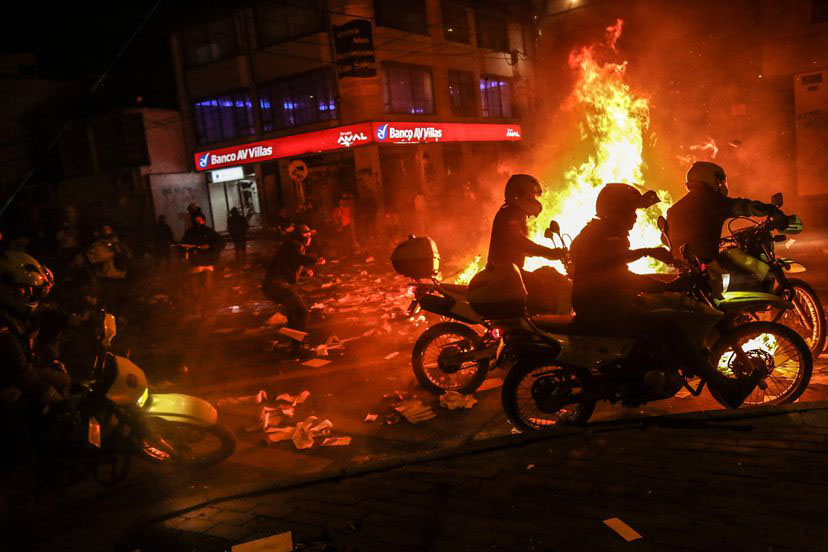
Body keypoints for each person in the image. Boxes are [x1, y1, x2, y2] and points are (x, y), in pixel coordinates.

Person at [569, 183, 763, 408]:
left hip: (604, 302)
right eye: (630, 211)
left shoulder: (601, 231)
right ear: (617, 211)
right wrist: (667, 285)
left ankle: (638, 382)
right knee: (667, 328)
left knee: (657, 314)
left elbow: (615, 270)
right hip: (600, 307)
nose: (634, 218)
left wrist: (654, 268)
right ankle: (725, 387)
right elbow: (621, 277)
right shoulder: (605, 235)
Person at [0, 251, 69, 543]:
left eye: (33, 291)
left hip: (12, 385)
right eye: (23, 290)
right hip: (4, 394)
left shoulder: (14, 315)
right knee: (20, 460)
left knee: (61, 382)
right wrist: (45, 392)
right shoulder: (2, 327)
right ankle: (16, 527)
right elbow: (18, 369)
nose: (29, 296)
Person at [666, 162, 786, 263]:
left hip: (684, 266)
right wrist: (770, 209)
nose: (721, 185)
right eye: (719, 180)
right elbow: (743, 206)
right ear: (707, 177)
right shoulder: (710, 200)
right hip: (706, 266)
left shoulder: (674, 209)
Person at [487, 174, 567, 313]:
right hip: (505, 274)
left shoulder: (514, 214)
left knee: (548, 274)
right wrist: (551, 253)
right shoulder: (509, 215)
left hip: (511, 272)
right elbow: (521, 243)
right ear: (522, 195)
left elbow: (526, 250)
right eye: (534, 196)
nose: (536, 201)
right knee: (546, 290)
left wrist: (552, 254)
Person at [263, 224, 325, 358]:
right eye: (307, 236)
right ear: (301, 237)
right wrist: (315, 260)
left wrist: (304, 273)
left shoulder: (290, 246)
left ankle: (296, 347)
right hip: (280, 286)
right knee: (302, 312)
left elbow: (289, 265)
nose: (310, 239)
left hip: (273, 286)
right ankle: (299, 345)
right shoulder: (294, 245)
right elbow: (298, 259)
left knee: (293, 313)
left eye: (310, 236)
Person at [180, 214, 224, 318]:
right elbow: (183, 246)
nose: (198, 222)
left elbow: (220, 242)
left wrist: (210, 246)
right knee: (195, 289)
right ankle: (197, 307)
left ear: (204, 221)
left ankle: (207, 308)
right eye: (196, 220)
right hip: (195, 264)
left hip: (208, 263)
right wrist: (187, 251)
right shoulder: (189, 233)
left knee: (208, 288)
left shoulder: (209, 232)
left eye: (200, 220)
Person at [86, 224, 131, 316]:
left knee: (122, 299)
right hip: (106, 277)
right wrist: (112, 253)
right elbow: (94, 257)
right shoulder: (97, 245)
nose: (107, 231)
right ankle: (110, 321)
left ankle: (118, 318)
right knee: (110, 302)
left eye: (109, 228)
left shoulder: (119, 243)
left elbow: (129, 256)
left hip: (120, 276)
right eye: (105, 229)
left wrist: (121, 253)